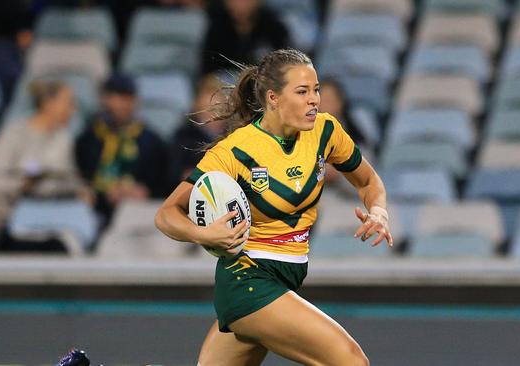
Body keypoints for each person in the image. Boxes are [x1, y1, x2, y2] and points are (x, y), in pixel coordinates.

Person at [155, 49, 393, 365]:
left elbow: (367, 182)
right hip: (248, 281)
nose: (314, 100)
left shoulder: (325, 132)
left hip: (282, 281)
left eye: (316, 90)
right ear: (273, 98)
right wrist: (203, 234)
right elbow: (166, 214)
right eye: (302, 91)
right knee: (350, 361)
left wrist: (379, 211)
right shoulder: (235, 151)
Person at [0, 79, 90, 231]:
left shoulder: (64, 138)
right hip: (11, 219)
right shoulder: (13, 134)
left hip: (54, 218)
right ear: (48, 103)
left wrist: (79, 190)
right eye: (68, 102)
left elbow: (67, 178)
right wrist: (22, 185)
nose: (73, 109)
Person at [76, 73, 169, 228]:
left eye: (127, 98)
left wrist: (145, 192)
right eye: (115, 97)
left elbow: (165, 182)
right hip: (97, 210)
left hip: (140, 211)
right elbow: (82, 177)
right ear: (104, 99)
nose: (122, 104)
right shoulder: (88, 139)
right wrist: (99, 192)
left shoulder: (152, 141)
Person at [202, 0, 290, 74]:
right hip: (225, 83)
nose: (240, 5)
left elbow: (284, 70)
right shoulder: (215, 24)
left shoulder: (274, 27)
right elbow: (208, 73)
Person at [171, 73, 228, 182]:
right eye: (208, 109)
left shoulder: (234, 136)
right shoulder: (183, 138)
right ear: (197, 108)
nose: (214, 116)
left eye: (219, 109)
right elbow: (174, 175)